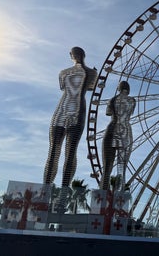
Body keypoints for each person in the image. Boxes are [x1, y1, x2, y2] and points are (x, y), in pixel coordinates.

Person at [43, 47, 97, 210]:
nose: (76, 56)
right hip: (68, 109)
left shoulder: (77, 73)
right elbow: (88, 87)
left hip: (71, 110)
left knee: (66, 151)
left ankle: (59, 195)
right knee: (58, 151)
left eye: (77, 54)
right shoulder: (83, 72)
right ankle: (48, 192)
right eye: (75, 54)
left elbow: (69, 88)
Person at [100, 81, 136, 192]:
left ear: (118, 88)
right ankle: (119, 195)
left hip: (112, 129)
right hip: (126, 132)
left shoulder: (112, 100)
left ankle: (103, 193)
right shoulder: (133, 101)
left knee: (107, 167)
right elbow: (130, 113)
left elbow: (108, 113)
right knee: (122, 168)